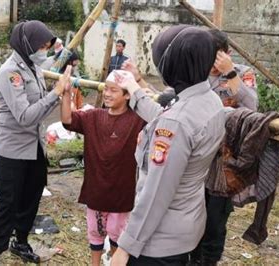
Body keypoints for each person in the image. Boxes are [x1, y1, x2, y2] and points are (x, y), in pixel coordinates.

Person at [110, 25, 225, 265]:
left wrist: (125, 246)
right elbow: (165, 117)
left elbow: (156, 193)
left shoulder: (177, 121)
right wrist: (134, 88)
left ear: (172, 66)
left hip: (158, 242)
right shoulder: (209, 99)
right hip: (187, 225)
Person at [0, 20, 71, 265]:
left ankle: (20, 242)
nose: (44, 50)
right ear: (27, 45)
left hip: (35, 147)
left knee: (31, 197)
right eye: (42, 45)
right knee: (7, 205)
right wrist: (56, 93)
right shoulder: (9, 73)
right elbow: (25, 117)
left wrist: (59, 85)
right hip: (12, 151)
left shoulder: (33, 66)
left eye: (47, 46)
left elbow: (43, 97)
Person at [189, 29, 259, 266]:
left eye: (214, 58)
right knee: (191, 215)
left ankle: (208, 262)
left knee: (215, 221)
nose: (210, 64)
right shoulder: (198, 73)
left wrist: (229, 72)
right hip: (197, 157)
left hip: (225, 163)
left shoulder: (241, 73)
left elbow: (253, 106)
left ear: (225, 54)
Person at [61, 69, 145, 266]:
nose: (107, 94)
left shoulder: (137, 119)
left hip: (121, 193)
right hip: (96, 190)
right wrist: (65, 94)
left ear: (127, 95)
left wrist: (139, 82)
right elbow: (67, 120)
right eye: (105, 89)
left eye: (114, 90)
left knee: (118, 235)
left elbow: (157, 109)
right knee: (95, 233)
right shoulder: (93, 117)